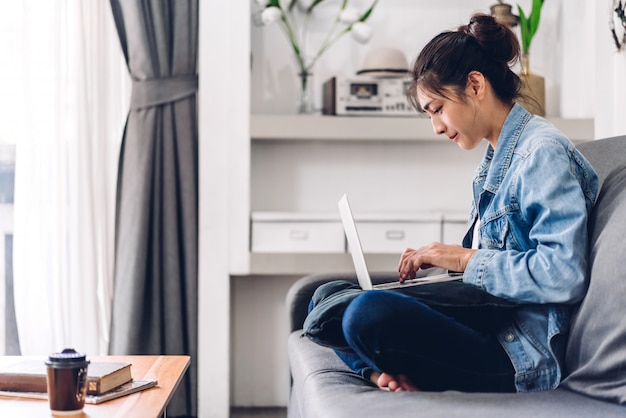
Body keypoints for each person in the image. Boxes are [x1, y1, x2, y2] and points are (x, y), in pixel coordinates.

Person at [306, 13, 599, 394]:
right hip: (486, 322)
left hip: (514, 353)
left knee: (364, 313)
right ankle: (382, 376)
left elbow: (563, 273)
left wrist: (461, 258)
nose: (437, 127)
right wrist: (438, 274)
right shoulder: (493, 161)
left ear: (475, 85)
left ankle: (386, 368)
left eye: (437, 109)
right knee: (326, 298)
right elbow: (488, 279)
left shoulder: (541, 153)